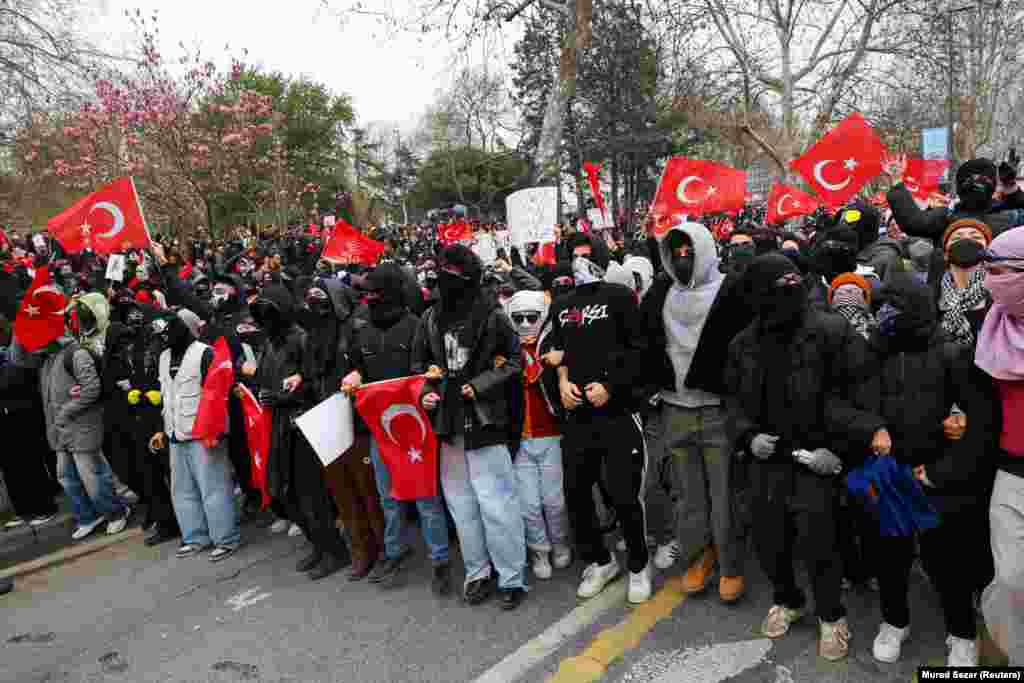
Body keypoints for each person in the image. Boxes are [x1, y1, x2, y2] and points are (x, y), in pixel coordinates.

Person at [723, 253, 888, 661]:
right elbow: (732, 402)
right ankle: (788, 599)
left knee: (821, 543)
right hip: (766, 460)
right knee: (768, 539)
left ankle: (832, 616)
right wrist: (748, 436)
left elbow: (862, 396)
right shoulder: (743, 343)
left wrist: (839, 452)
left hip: (819, 459)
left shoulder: (832, 331)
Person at [861, 273, 995, 667]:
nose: (885, 314)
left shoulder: (951, 355)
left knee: (949, 560)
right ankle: (894, 622)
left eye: (895, 306)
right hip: (888, 473)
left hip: (937, 478)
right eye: (882, 305)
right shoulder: (873, 352)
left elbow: (979, 424)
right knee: (889, 556)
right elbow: (856, 404)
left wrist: (942, 471)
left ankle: (962, 633)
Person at [642, 222, 753, 602]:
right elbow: (642, 336)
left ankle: (731, 565)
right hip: (676, 409)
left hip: (718, 410)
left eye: (690, 252)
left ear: (705, 250)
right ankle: (697, 557)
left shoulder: (733, 288)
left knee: (723, 494)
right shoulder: (661, 291)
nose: (683, 260)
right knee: (688, 495)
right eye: (676, 254)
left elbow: (748, 348)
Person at [412, 244, 527, 610]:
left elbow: (514, 360)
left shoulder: (492, 313)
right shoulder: (430, 318)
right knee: (462, 506)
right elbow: (421, 367)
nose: (443, 279)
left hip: (485, 419)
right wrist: (428, 392)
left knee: (497, 504)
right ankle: (477, 573)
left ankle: (511, 577)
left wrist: (479, 386)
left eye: (451, 272)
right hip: (448, 423)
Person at [546, 233, 652, 604]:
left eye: (586, 255)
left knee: (624, 493)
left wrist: (611, 385)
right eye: (572, 256)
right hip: (577, 416)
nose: (579, 262)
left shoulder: (620, 296)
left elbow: (640, 350)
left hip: (618, 411)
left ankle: (639, 563)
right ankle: (600, 560)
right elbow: (558, 352)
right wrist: (561, 382)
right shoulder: (560, 305)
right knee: (576, 493)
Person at [342, 264, 451, 594]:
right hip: (380, 431)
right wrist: (353, 378)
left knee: (426, 498)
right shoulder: (361, 331)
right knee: (388, 497)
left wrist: (431, 381)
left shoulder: (416, 327)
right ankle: (394, 552)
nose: (369, 298)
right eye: (366, 292)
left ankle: (440, 560)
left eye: (376, 292)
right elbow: (358, 368)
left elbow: (430, 371)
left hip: (416, 428)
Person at [251, 285, 350, 580]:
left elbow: (313, 382)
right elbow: (263, 378)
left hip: (303, 424)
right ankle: (318, 544)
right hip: (279, 425)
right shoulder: (270, 343)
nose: (264, 320)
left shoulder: (301, 339)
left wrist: (284, 397)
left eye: (269, 313)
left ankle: (334, 550)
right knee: (286, 492)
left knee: (311, 493)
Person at [302, 276, 385, 582]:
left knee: (367, 489)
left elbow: (371, 365)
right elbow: (312, 372)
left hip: (357, 421)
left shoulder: (356, 328)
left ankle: (384, 551)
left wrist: (358, 374)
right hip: (326, 419)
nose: (316, 306)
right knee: (343, 492)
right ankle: (361, 552)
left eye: (322, 300)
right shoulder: (313, 334)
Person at [150, 311, 241, 562]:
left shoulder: (205, 353)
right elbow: (167, 396)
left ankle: (225, 539)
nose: (164, 341)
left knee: (214, 488)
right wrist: (161, 429)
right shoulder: (163, 356)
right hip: (176, 433)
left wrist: (216, 430)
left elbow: (219, 395)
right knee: (182, 491)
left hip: (204, 434)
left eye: (166, 335)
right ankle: (194, 537)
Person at [40, 293, 131, 541]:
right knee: (66, 477)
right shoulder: (48, 361)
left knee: (92, 475)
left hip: (82, 427)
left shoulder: (76, 354)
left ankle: (116, 511)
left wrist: (67, 410)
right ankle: (88, 516)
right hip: (61, 431)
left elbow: (91, 389)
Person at [976, 227, 1024, 666]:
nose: (991, 280)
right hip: (1010, 470)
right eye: (987, 271)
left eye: (1002, 271)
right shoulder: (988, 324)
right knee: (1010, 578)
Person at [504, 290, 571, 580]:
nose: (526, 323)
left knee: (554, 501)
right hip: (519, 439)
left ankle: (559, 542)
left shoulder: (554, 342)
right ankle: (539, 550)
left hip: (550, 434)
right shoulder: (504, 349)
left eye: (532, 316)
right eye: (518, 318)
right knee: (529, 504)